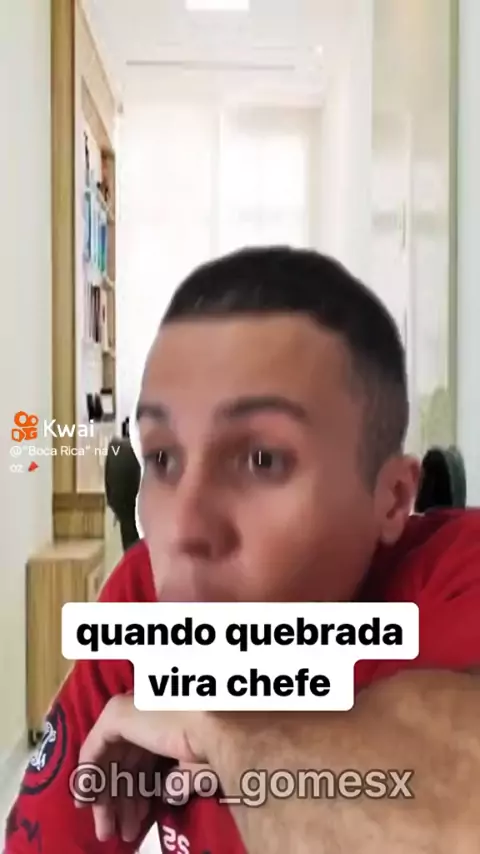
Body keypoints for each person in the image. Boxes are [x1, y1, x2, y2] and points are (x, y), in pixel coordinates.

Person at [5, 247, 480, 854]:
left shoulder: (460, 574)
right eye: (163, 459)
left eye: (261, 459)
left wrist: (215, 723)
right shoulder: (147, 598)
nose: (183, 527)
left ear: (391, 500)